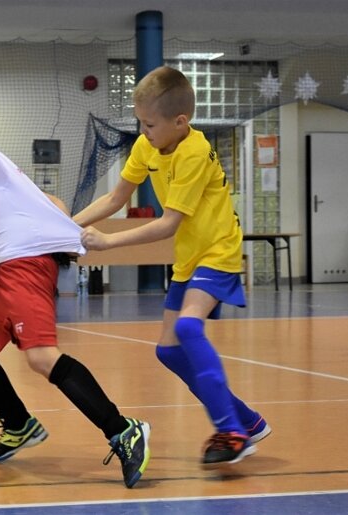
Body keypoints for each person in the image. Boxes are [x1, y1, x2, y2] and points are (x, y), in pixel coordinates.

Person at [0, 90, 151, 489]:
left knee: (41, 358)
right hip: (4, 270)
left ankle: (123, 429)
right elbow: (53, 202)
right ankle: (19, 423)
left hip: (23, 267)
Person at [74, 66, 270, 467]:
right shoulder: (147, 147)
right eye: (140, 122)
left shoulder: (194, 153)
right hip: (189, 258)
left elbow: (167, 224)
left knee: (187, 327)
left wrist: (108, 241)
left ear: (180, 122)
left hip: (218, 252)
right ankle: (247, 420)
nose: (143, 131)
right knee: (168, 351)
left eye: (149, 124)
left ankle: (231, 432)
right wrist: (64, 225)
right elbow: (115, 198)